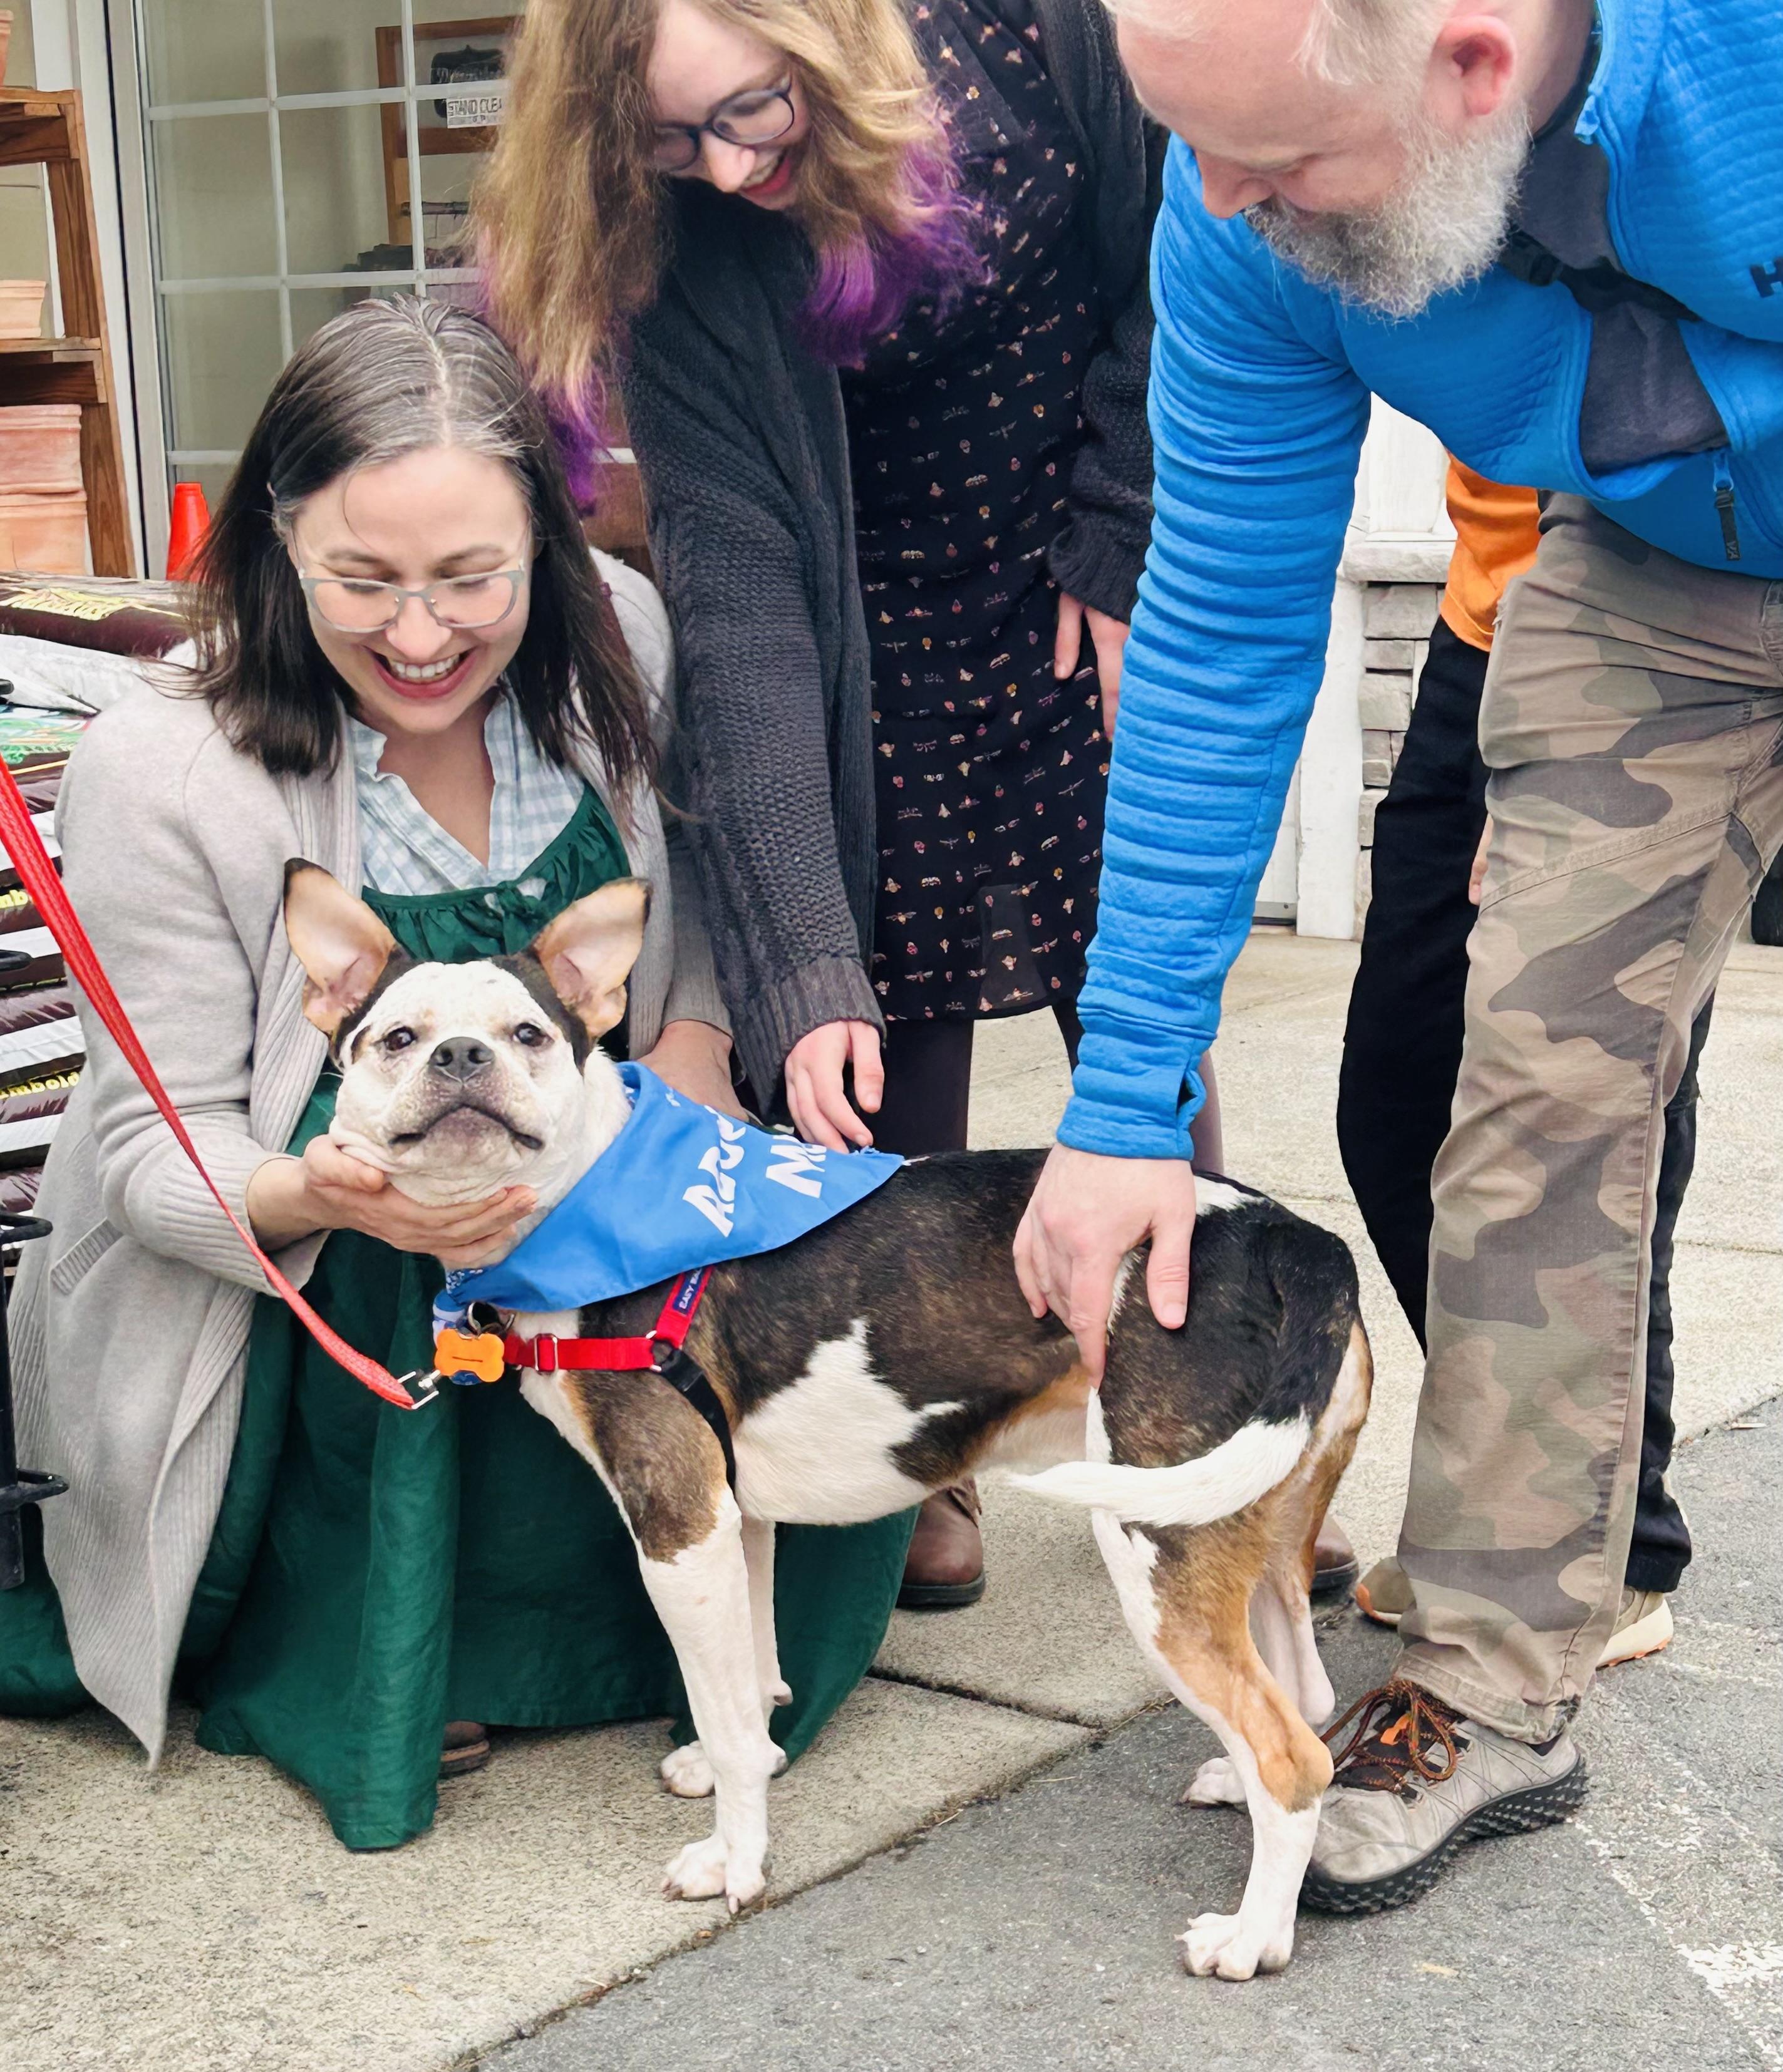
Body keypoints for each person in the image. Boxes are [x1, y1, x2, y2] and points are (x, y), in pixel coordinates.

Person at [1013, 0, 1783, 1912]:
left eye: (1273, 157)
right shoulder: (1234, 225)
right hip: (1658, 572)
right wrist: (1121, 1105)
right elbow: (1218, 633)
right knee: (1519, 1093)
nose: (1218, 204)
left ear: (1472, 67)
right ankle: (1497, 1680)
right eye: (1191, 144)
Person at [0, 297, 914, 1850]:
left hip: (612, 1186)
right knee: (411, 1277)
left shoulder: (621, 638)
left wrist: (691, 1059)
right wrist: (327, 1196)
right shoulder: (161, 763)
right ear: (274, 541)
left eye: (472, 578)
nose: (420, 636)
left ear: (547, 544)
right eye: (362, 581)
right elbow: (154, 1144)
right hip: (317, 1273)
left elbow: (693, 923)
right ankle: (411, 1634)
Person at [476, 0, 1277, 1613]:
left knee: (1142, 1017)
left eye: (746, 110)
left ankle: (1218, 1421)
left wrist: (1123, 529)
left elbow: (1181, 263)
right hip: (866, 629)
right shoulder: (679, 247)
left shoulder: (1030, 32)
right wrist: (803, 960)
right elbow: (739, 597)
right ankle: (930, 1441)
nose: (724, 168)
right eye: (667, 142)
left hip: (1085, 567)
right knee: (875, 1033)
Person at [1338, 461, 1703, 1667]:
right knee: (1395, 1107)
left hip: (1651, 625)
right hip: (1479, 617)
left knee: (1588, 1115)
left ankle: (1613, 1550)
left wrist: (1563, 737)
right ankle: (1523, 1516)